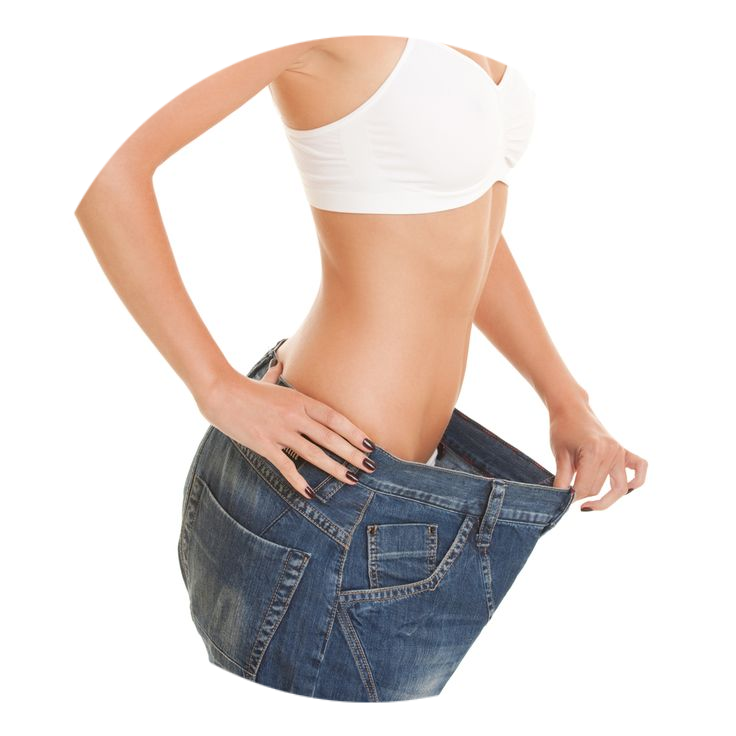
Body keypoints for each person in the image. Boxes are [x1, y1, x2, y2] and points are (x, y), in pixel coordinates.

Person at [52, 0, 648, 733]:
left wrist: (564, 396)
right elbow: (98, 161)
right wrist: (214, 386)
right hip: (322, 500)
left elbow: (465, 220)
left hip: (408, 498)